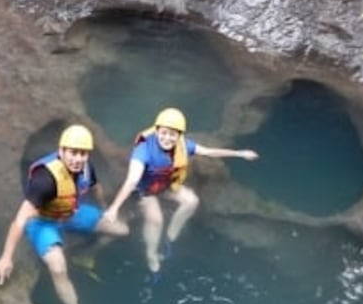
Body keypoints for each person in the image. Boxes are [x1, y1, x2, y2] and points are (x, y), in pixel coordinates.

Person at [0, 124, 129, 304]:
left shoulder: (85, 168)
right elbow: (21, 219)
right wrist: (6, 257)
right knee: (58, 266)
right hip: (43, 222)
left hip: (70, 212)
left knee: (121, 230)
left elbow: (95, 187)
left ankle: (85, 256)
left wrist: (105, 209)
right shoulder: (46, 180)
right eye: (72, 152)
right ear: (62, 151)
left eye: (82, 153)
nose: (77, 158)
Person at [103, 108, 259, 280]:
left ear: (179, 135)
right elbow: (132, 180)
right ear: (157, 130)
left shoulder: (183, 145)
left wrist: (240, 154)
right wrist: (114, 208)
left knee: (192, 201)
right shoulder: (144, 149)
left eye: (173, 134)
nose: (168, 138)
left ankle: (171, 235)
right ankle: (151, 254)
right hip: (145, 190)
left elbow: (208, 152)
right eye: (164, 133)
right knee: (156, 220)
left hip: (166, 185)